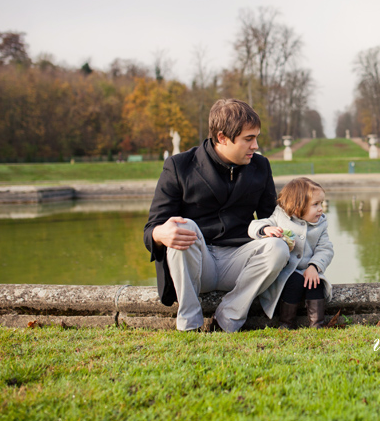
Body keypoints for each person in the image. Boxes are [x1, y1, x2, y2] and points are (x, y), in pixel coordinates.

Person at [143, 99, 289, 332]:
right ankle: (189, 324)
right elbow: (151, 229)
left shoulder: (261, 166)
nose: (255, 146)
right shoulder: (179, 166)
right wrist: (162, 233)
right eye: (248, 139)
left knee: (279, 247)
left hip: (241, 263)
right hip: (196, 265)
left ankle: (227, 319)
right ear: (222, 137)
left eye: (256, 138)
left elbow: (272, 220)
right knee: (184, 227)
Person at [248, 177, 334, 329]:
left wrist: (314, 266)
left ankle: (317, 324)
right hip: (287, 271)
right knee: (293, 283)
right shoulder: (280, 217)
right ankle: (286, 323)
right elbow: (255, 225)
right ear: (296, 206)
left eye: (321, 203)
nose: (320, 208)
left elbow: (325, 248)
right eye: (315, 204)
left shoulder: (320, 223)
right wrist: (266, 229)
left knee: (316, 284)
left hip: (309, 269)